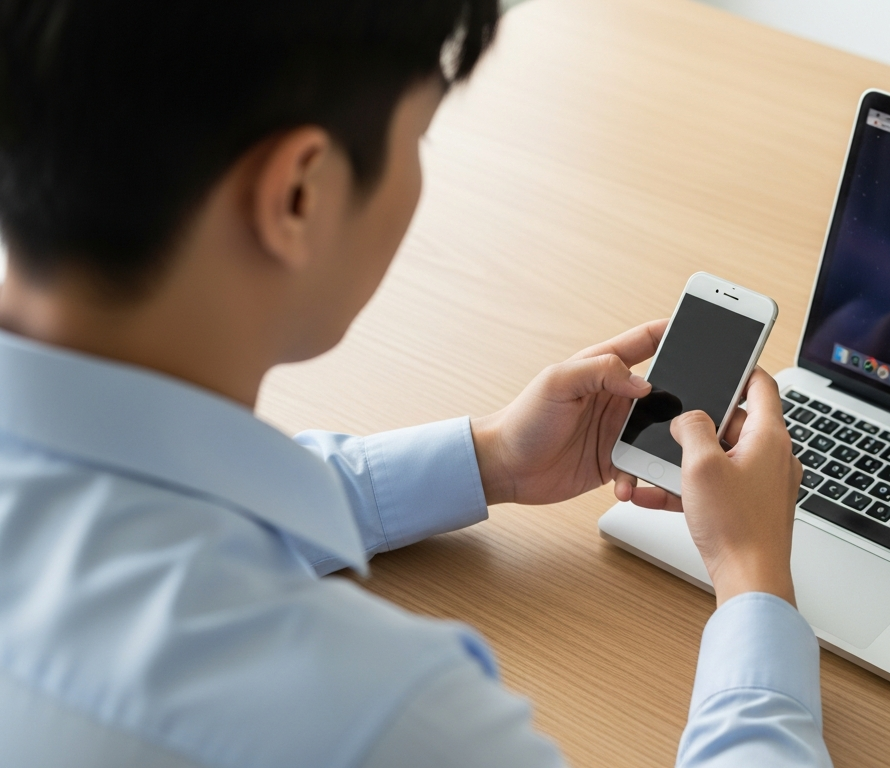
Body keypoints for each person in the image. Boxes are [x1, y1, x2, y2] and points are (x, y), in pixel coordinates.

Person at [0, 1, 830, 766]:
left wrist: (493, 459)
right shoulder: (379, 720)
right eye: (420, 138)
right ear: (299, 193)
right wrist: (755, 584)